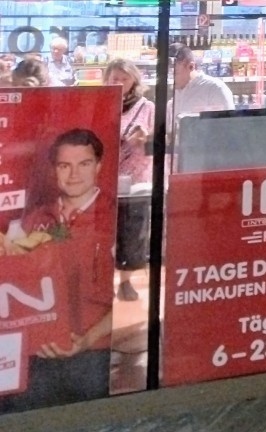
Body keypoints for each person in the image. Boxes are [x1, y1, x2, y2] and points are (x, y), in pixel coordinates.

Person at [3, 129, 114, 410]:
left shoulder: (116, 215)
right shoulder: (35, 218)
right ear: (54, 170)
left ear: (98, 166)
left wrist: (87, 340)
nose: (74, 174)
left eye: (84, 164)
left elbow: (133, 298)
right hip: (33, 356)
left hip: (92, 354)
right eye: (65, 165)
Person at [105, 58, 155, 301]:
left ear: (134, 80)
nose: (119, 83)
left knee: (133, 231)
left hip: (136, 179)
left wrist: (146, 138)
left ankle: (126, 281)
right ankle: (102, 281)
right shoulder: (101, 104)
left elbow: (160, 141)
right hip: (105, 178)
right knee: (105, 231)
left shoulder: (147, 107)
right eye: (115, 78)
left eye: (124, 79)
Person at [168, 45, 234, 119]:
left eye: (175, 73)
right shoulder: (175, 94)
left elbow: (227, 123)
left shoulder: (215, 89)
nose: (171, 79)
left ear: (191, 66)